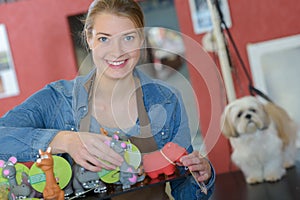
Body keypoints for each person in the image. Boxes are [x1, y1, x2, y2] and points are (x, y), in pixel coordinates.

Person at [0, 0, 215, 199]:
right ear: (89, 38)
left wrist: (202, 176)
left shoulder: (167, 100)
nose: (117, 51)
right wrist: (64, 140)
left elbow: (184, 191)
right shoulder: (57, 99)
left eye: (128, 37)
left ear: (141, 38)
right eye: (104, 38)